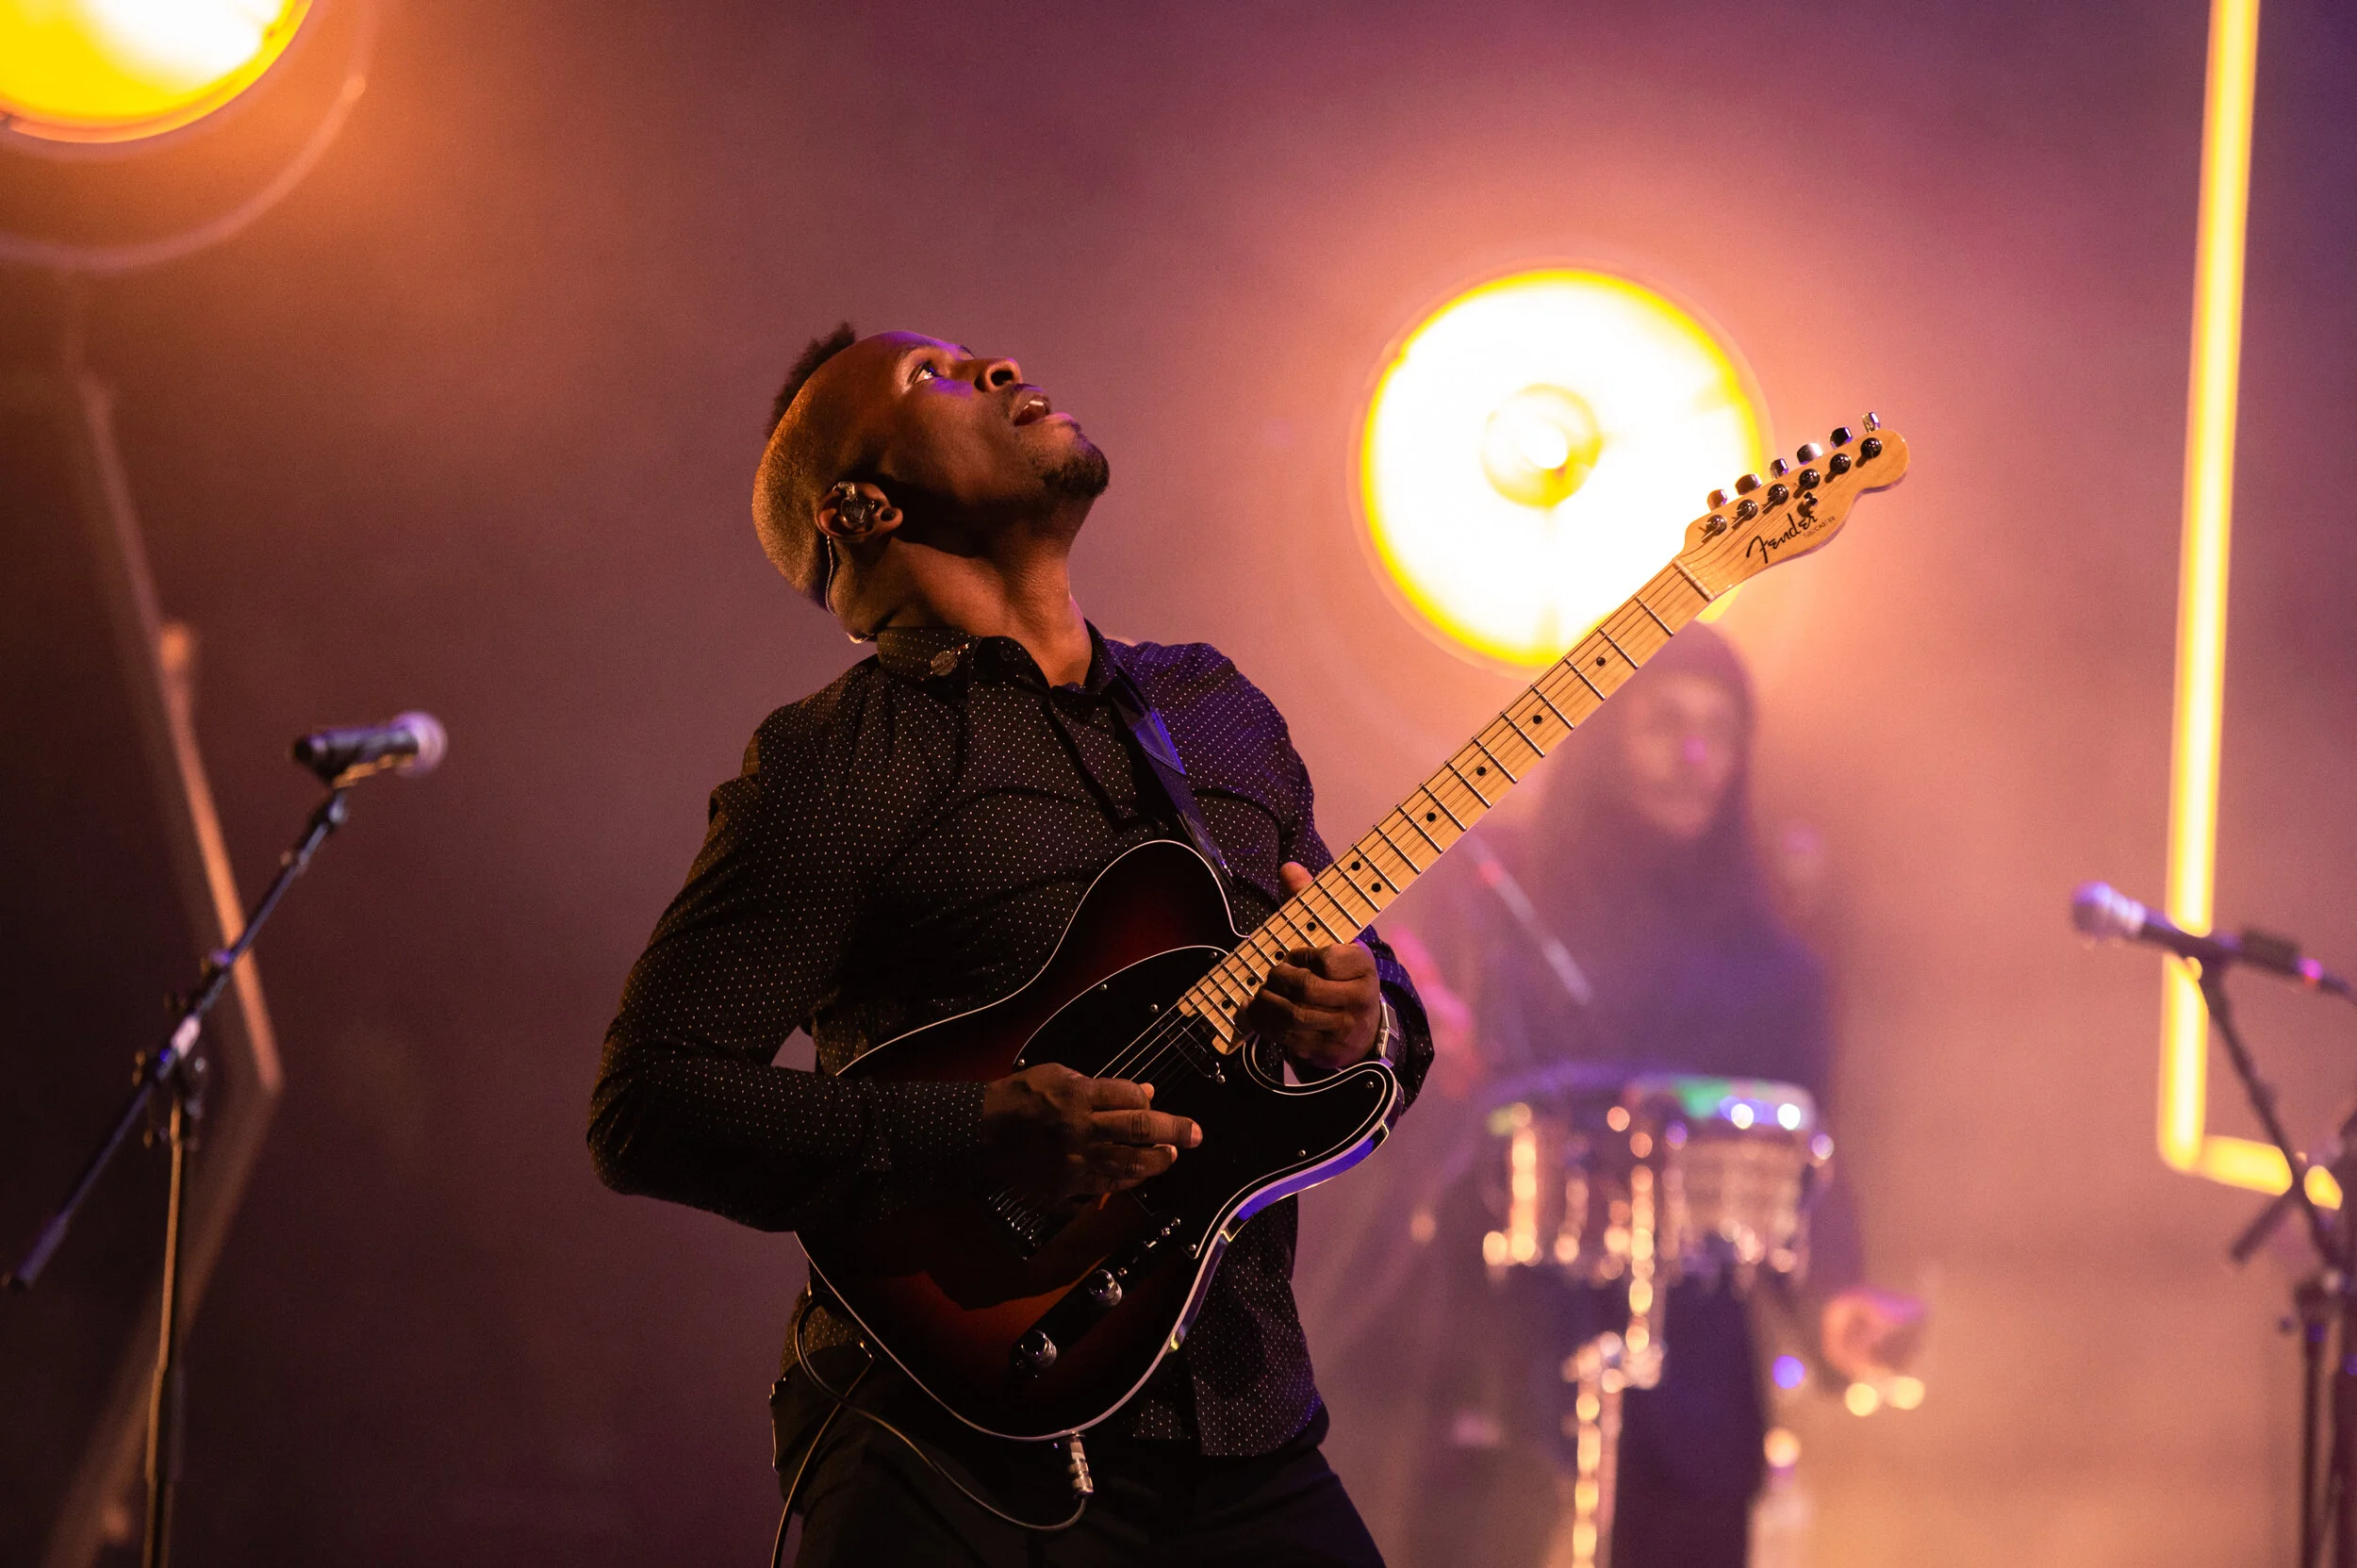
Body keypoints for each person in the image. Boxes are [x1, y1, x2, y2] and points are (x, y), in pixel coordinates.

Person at [587, 325, 1433, 1566]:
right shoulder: (845, 762)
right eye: (930, 375)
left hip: (1245, 1426)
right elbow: (646, 1101)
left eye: (982, 355)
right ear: (862, 507)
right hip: (953, 1447)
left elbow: (1382, 1036)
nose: (994, 369)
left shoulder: (1216, 710)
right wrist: (985, 1129)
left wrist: (1363, 1021)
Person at [1393, 624, 1920, 1568]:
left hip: (1695, 1379)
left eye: (1719, 732)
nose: (1692, 757)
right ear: (1604, 736)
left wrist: (1837, 1300)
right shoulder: (1505, 896)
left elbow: (1808, 1158)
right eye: (1663, 724)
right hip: (1502, 1346)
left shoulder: (1775, 966)